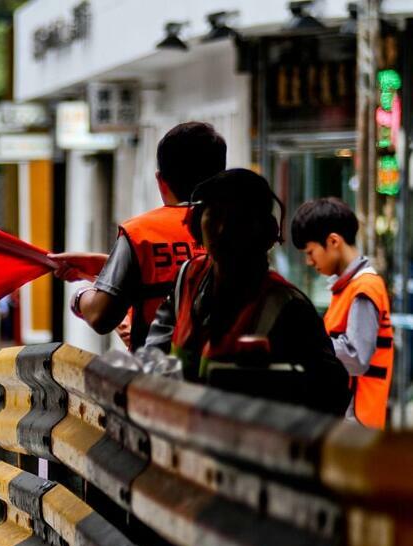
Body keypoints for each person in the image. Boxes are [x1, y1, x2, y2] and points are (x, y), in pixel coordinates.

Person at [144, 169, 350, 416]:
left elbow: (332, 394)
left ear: (264, 230)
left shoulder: (288, 307)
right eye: (214, 214)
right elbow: (153, 356)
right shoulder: (187, 278)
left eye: (236, 219)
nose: (221, 229)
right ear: (198, 221)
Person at [51, 122, 226, 350]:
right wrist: (105, 265)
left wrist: (80, 297)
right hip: (233, 374)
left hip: (162, 375)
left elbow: (100, 316)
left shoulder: (141, 233)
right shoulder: (243, 228)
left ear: (160, 180)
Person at [291, 198, 393, 428]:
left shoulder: (364, 288)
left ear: (333, 241)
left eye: (310, 252)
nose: (309, 261)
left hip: (355, 421)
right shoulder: (348, 288)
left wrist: (308, 343)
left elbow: (357, 358)